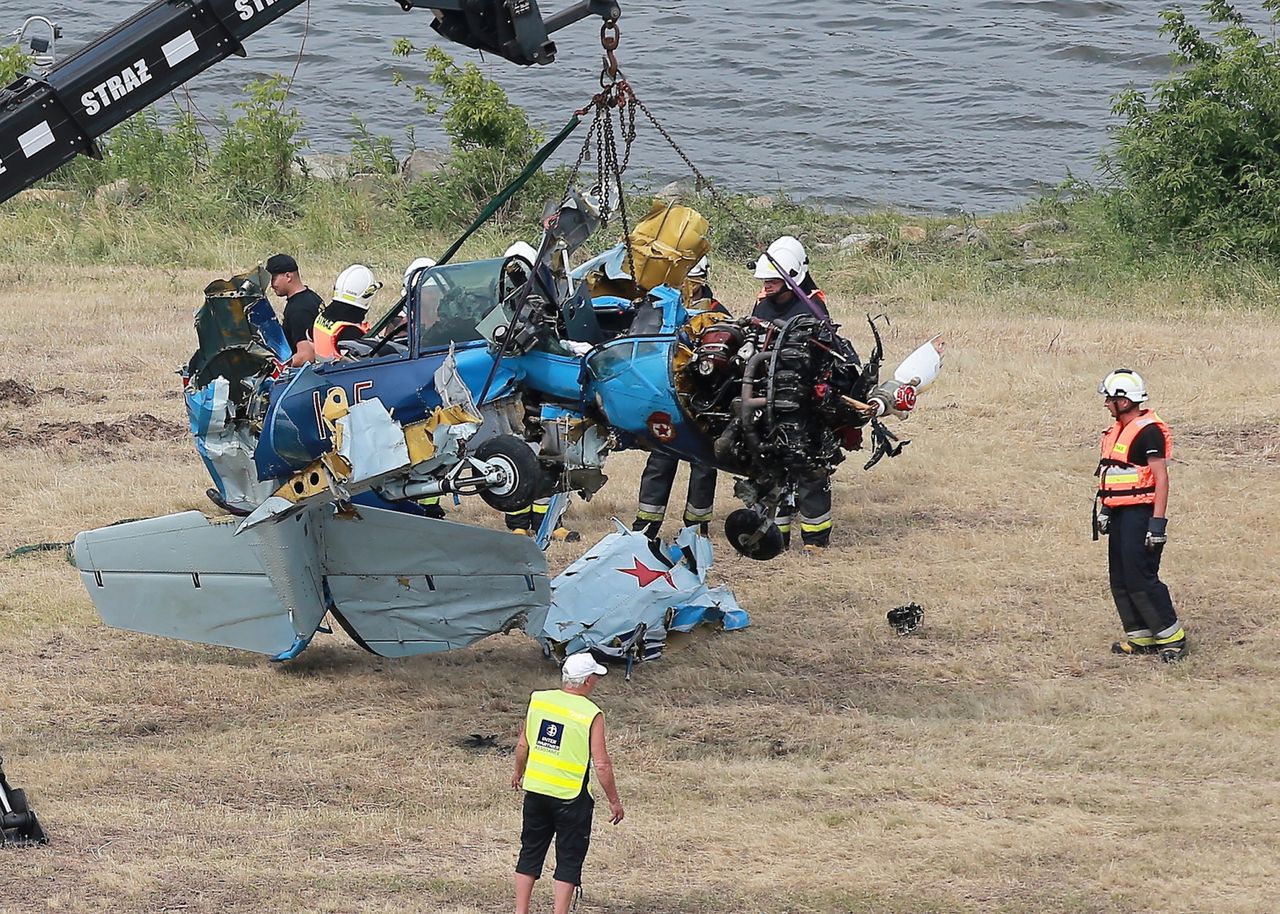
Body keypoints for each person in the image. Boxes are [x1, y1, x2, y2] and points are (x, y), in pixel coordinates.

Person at [512, 652, 624, 914]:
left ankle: (520, 910)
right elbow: (602, 764)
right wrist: (614, 801)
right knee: (569, 858)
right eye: (594, 676)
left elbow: (523, 744)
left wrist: (518, 772)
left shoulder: (539, 700)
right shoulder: (591, 713)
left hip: (536, 790)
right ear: (586, 681)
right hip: (572, 797)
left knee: (530, 851)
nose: (596, 681)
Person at [1094, 368, 1187, 662]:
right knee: (1120, 577)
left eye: (1109, 399)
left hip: (1141, 513)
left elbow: (1161, 479)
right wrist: (1106, 510)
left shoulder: (1148, 432)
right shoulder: (1117, 431)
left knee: (1141, 577)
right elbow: (1115, 474)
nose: (1105, 404)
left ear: (1124, 401)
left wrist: (1157, 524)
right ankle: (1141, 637)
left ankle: (1172, 639)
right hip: (1120, 513)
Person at [633, 256, 726, 539]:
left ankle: (697, 527)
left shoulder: (716, 313)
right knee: (660, 460)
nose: (687, 285)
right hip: (668, 397)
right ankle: (646, 525)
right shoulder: (664, 308)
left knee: (704, 464)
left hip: (701, 400)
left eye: (692, 279)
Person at [751, 236, 833, 553]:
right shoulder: (762, 305)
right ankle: (775, 535)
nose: (767, 285)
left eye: (773, 280)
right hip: (766, 397)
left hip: (802, 399)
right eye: (765, 280)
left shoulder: (811, 307)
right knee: (769, 464)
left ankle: (815, 539)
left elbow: (825, 354)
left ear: (792, 277)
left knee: (807, 464)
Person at [313, 264, 382, 360]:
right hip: (340, 369)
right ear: (367, 295)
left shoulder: (321, 317)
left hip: (322, 368)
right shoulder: (350, 332)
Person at [266, 253, 323, 366]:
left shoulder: (298, 310)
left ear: (288, 276)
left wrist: (278, 366)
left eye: (273, 278)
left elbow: (307, 356)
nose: (271, 285)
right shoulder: (311, 297)